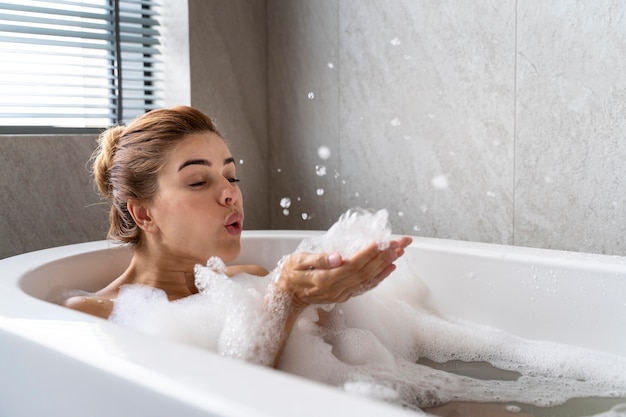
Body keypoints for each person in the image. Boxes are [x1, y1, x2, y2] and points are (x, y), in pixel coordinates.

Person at [63, 105, 412, 368]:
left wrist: (338, 292)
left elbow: (338, 362)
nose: (230, 193)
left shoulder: (251, 281)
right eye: (199, 181)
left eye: (231, 177)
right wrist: (286, 300)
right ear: (144, 213)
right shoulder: (93, 316)